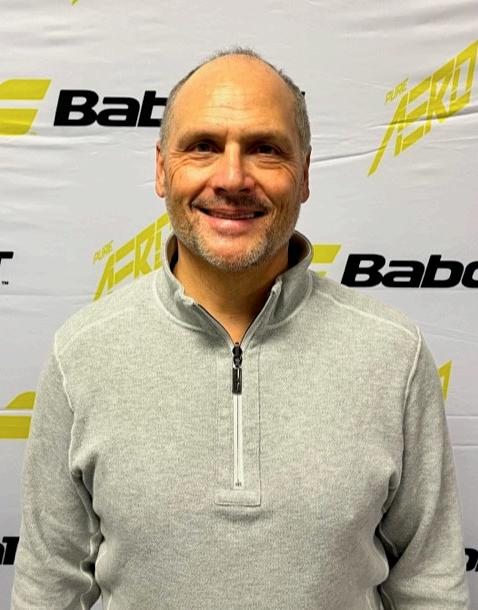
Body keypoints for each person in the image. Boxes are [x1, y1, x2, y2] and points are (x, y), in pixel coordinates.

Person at [11, 47, 470, 610]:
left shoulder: (394, 354)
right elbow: (48, 589)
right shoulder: (81, 354)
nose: (232, 178)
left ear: (305, 175)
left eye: (265, 149)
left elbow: (430, 586)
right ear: (161, 170)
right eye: (203, 146)